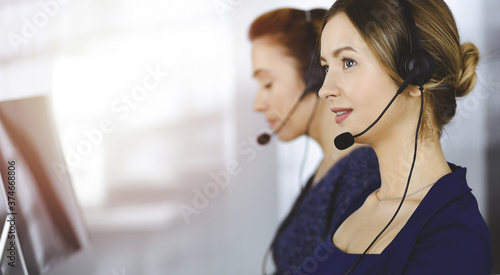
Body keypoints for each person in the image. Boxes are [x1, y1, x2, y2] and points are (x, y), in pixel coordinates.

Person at [295, 0, 492, 274]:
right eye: (327, 67)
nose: (325, 89)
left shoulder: (454, 237)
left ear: (416, 75)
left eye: (348, 62)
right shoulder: (364, 201)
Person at [249, 8, 380, 274]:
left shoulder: (360, 173)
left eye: (267, 83)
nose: (257, 104)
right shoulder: (329, 167)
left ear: (314, 75)